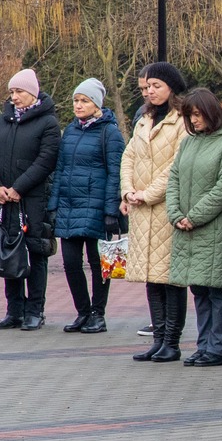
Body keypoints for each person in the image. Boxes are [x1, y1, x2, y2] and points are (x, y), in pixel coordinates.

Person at [165, 87, 222, 367]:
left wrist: (194, 217)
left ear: (211, 113)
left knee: (216, 289)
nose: (194, 120)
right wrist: (175, 214)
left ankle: (218, 348)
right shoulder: (189, 142)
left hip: (214, 228)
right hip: (187, 227)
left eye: (198, 114)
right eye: (190, 116)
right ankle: (203, 345)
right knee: (198, 289)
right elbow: (173, 179)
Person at [0, 68, 64, 332]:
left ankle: (35, 311)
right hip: (4, 201)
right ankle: (14, 311)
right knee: (8, 252)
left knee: (35, 253)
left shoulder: (48, 123)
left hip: (33, 201)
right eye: (11, 92)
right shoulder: (2, 120)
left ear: (32, 93)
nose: (14, 97)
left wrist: (19, 187)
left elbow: (46, 160)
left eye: (19, 91)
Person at [118, 63, 190, 358]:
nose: (150, 91)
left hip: (164, 209)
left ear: (172, 87)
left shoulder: (182, 120)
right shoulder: (144, 119)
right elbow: (129, 157)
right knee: (150, 276)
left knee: (170, 278)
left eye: (156, 86)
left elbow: (176, 165)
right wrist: (127, 191)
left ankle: (172, 342)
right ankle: (158, 339)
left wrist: (146, 195)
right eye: (147, 87)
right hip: (141, 210)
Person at [50, 78, 126, 334]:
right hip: (70, 206)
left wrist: (111, 211)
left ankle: (98, 314)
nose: (78, 105)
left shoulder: (110, 133)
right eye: (76, 100)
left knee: (98, 264)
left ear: (97, 104)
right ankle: (82, 312)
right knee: (71, 263)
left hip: (96, 208)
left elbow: (116, 174)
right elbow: (60, 170)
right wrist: (54, 205)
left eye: (84, 100)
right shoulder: (70, 131)